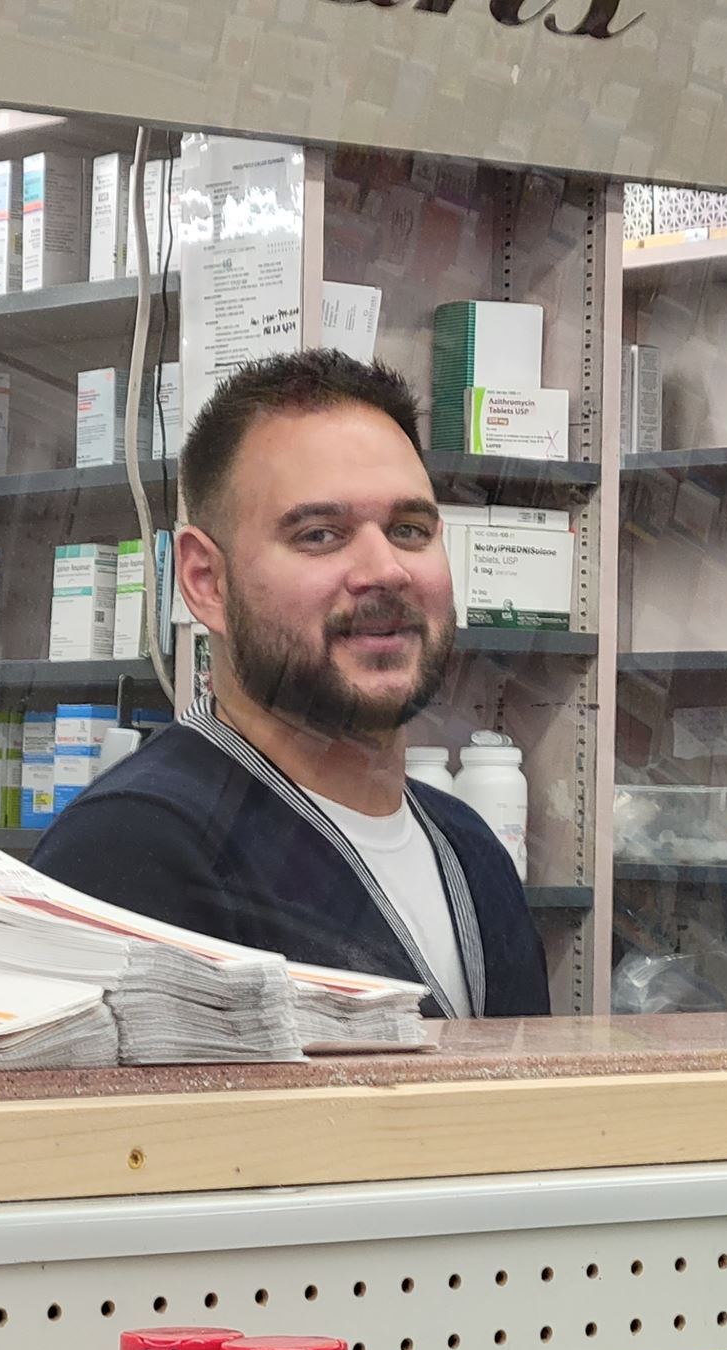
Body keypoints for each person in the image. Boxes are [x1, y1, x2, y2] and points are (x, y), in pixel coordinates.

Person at [29, 350, 550, 1018]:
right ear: (205, 582)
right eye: (321, 534)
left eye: (409, 529)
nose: (385, 569)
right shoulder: (132, 852)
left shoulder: (471, 851)